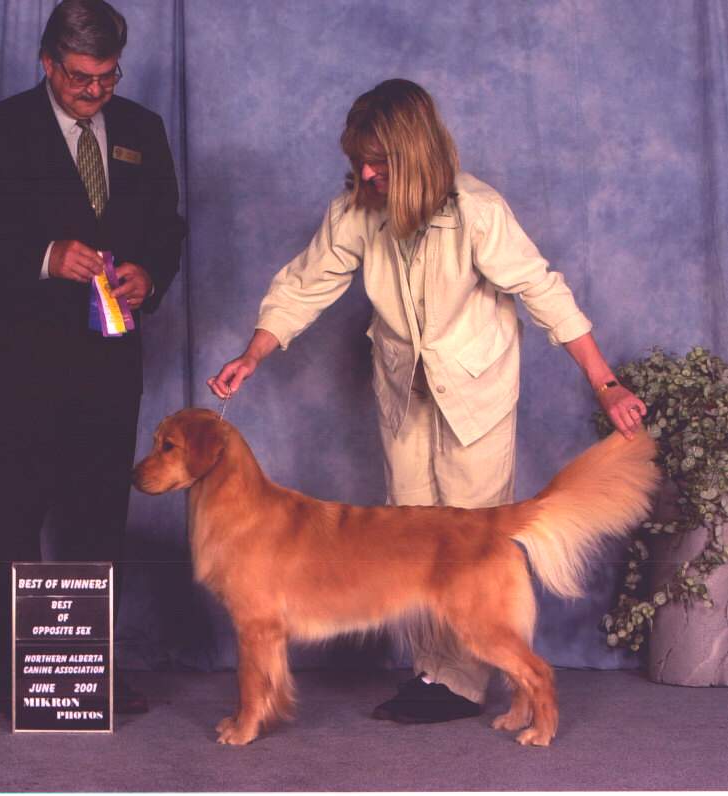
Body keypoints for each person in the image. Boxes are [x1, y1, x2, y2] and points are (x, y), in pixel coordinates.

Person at [208, 78, 645, 724]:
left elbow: (541, 290)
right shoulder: (356, 208)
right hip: (403, 387)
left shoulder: (477, 212)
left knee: (470, 532)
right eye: (357, 158)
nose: (363, 172)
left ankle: (463, 681)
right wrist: (254, 352)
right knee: (407, 533)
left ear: (413, 155)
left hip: (475, 388)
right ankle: (432, 673)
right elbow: (306, 283)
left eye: (378, 161)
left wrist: (604, 382)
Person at [0, 0, 185, 717]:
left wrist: (150, 275)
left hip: (111, 358)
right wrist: (44, 256)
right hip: (23, 360)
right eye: (80, 77)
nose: (94, 92)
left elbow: (168, 227)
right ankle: (15, 678)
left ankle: (91, 672)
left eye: (107, 78)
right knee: (15, 516)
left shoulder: (142, 128)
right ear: (48, 62)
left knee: (100, 514)